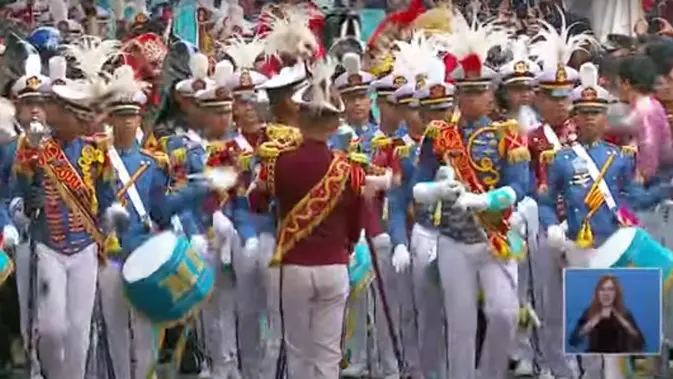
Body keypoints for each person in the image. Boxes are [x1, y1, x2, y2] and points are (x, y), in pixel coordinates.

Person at [568, 274, 645, 353]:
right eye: (602, 289)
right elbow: (573, 341)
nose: (606, 293)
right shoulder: (589, 312)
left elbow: (641, 343)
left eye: (610, 289)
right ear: (597, 293)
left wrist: (622, 320)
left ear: (616, 293)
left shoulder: (625, 313)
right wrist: (592, 323)